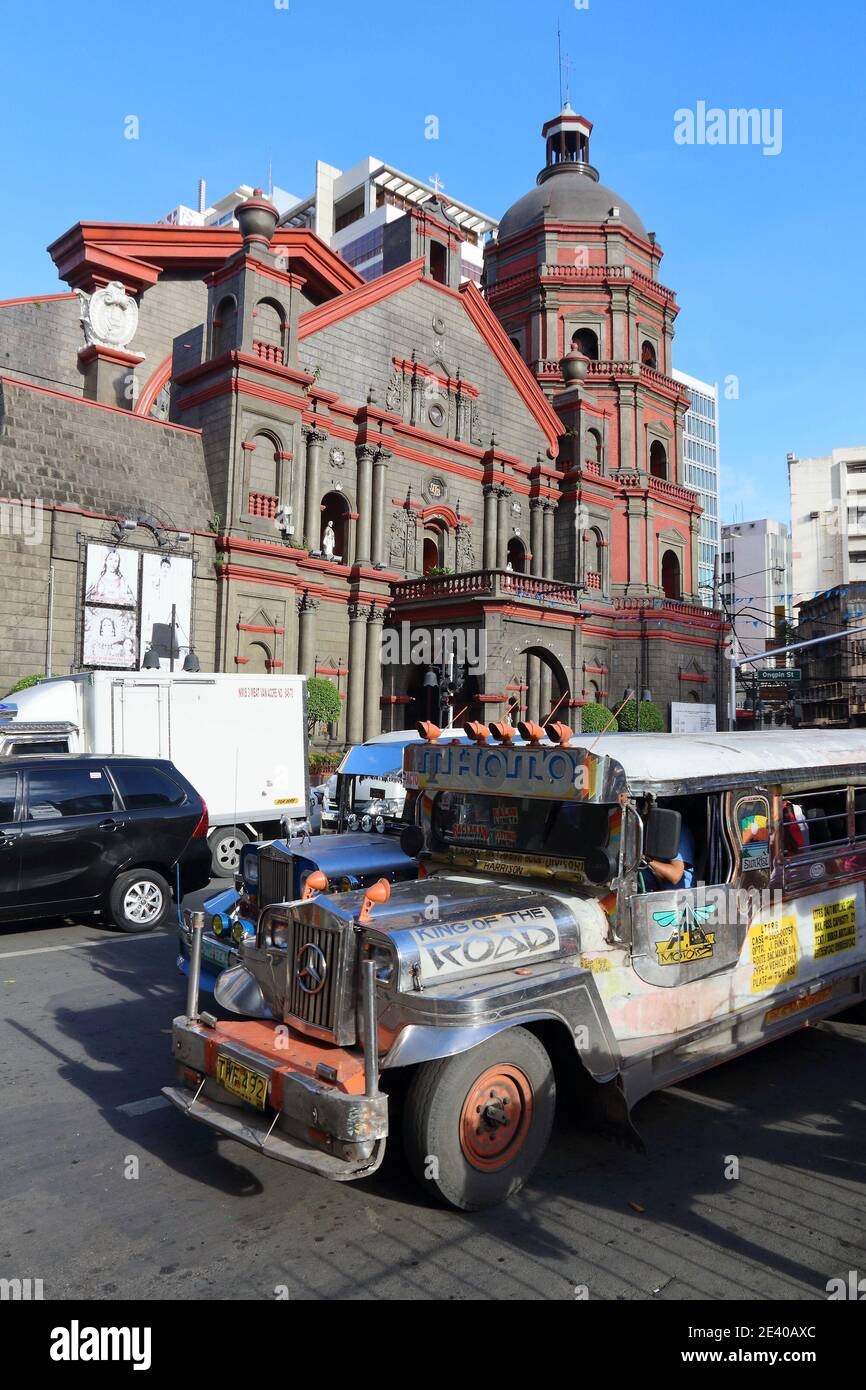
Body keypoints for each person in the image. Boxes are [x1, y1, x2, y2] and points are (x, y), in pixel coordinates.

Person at [639, 818, 696, 891]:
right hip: (648, 891)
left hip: (677, 897)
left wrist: (641, 857)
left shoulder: (678, 831)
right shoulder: (644, 830)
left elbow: (675, 875)